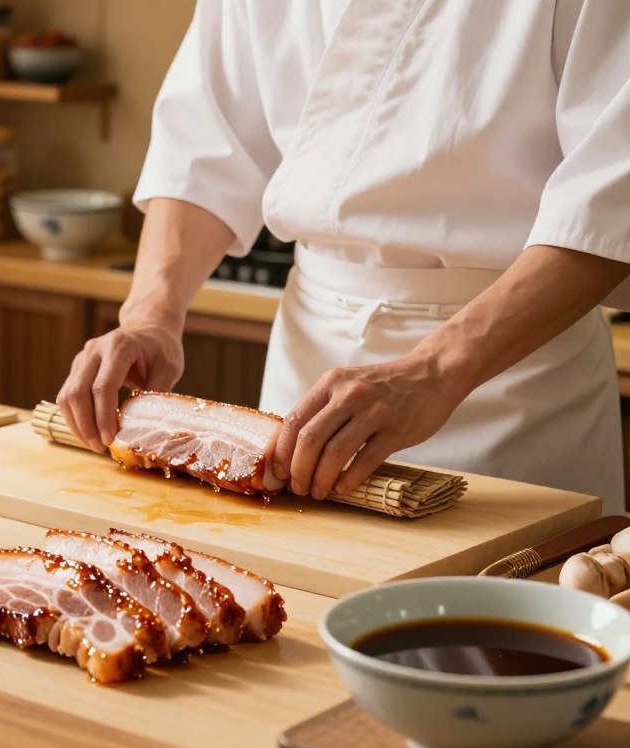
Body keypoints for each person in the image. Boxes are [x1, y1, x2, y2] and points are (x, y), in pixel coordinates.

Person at [57, 1, 630, 515]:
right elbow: (206, 144)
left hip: (512, 380)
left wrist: (435, 370)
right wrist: (151, 316)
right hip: (305, 380)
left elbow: (610, 197)